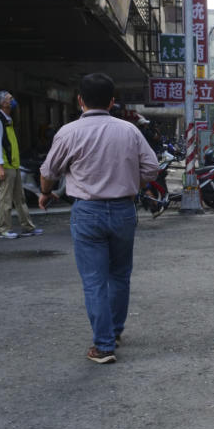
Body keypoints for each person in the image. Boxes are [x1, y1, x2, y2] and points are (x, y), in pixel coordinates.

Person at [39, 73, 158, 364]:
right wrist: (131, 185)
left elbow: (48, 172)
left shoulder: (68, 132)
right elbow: (152, 168)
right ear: (112, 101)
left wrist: (45, 193)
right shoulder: (129, 131)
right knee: (119, 275)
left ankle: (103, 346)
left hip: (87, 212)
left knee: (94, 281)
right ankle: (113, 333)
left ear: (80, 100)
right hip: (123, 210)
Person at [0, 91, 41, 239]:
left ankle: (28, 227)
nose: (13, 101)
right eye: (10, 98)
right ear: (3, 103)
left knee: (20, 198)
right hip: (5, 165)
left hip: (13, 165)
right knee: (5, 199)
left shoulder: (7, 119)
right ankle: (4, 229)